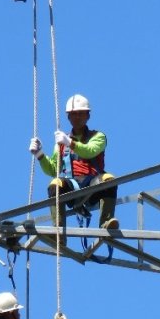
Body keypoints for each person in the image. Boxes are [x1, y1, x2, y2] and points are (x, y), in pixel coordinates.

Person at [29, 94, 118, 238]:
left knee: (108, 178)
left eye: (81, 114)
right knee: (55, 183)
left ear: (88, 116)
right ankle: (58, 233)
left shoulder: (98, 136)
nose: (77, 117)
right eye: (73, 114)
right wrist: (39, 154)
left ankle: (106, 223)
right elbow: (53, 169)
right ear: (68, 117)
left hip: (93, 184)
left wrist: (70, 143)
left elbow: (90, 151)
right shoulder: (62, 142)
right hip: (72, 185)